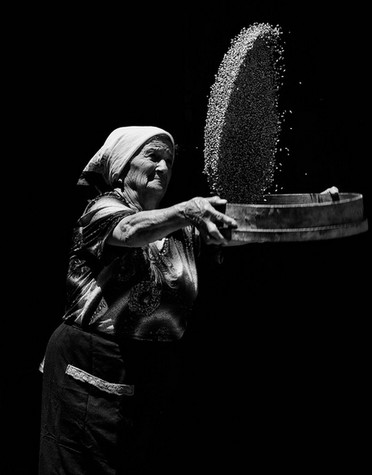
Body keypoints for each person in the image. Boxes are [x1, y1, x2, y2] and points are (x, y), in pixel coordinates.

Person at [38, 125, 240, 474]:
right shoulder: (101, 210)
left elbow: (247, 229)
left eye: (169, 161)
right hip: (92, 364)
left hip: (150, 371)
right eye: (153, 157)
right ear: (122, 167)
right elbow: (129, 231)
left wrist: (319, 209)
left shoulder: (182, 229)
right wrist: (188, 210)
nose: (163, 167)